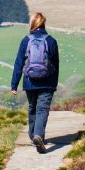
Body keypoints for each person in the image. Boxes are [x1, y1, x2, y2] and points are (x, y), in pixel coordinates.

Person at [9, 11, 60, 151]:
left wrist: (14, 85)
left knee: (32, 107)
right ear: (44, 23)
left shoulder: (26, 40)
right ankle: (38, 135)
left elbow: (19, 63)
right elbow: (56, 65)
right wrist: (54, 84)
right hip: (47, 82)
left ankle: (33, 137)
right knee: (42, 109)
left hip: (29, 81)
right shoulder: (51, 41)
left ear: (32, 24)